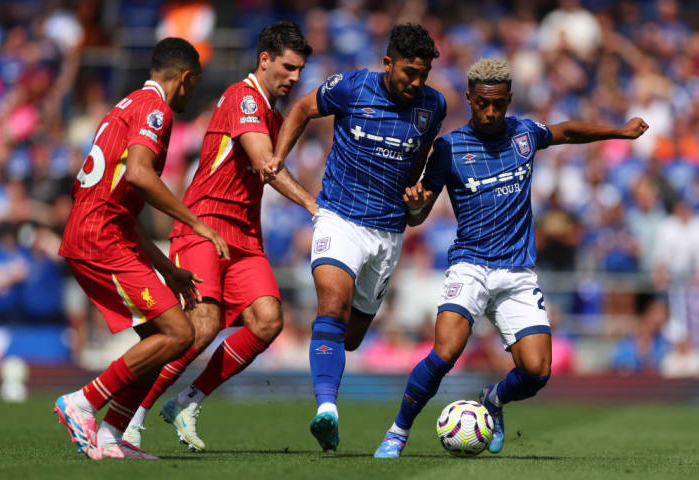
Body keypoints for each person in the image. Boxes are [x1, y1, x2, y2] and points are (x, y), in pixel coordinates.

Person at [373, 58, 648, 458]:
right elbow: (419, 214)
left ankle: (493, 401)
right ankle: (397, 432)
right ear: (469, 98)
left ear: (508, 100)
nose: (490, 112)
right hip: (470, 266)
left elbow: (566, 131)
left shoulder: (524, 134)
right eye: (483, 104)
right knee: (445, 352)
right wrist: (415, 204)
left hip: (517, 273)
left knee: (537, 372)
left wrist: (618, 132)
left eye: (498, 104)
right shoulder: (449, 148)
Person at [121, 21, 316, 452]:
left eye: (300, 70)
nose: (295, 78)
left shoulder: (271, 112)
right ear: (264, 59)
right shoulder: (242, 97)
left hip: (245, 235)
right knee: (200, 328)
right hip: (204, 225)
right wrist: (313, 206)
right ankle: (133, 417)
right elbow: (266, 164)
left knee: (267, 321)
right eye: (288, 67)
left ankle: (187, 402)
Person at [271, 23, 446, 452]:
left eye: (423, 74)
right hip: (339, 217)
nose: (416, 82)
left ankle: (327, 377)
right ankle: (326, 410)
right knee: (331, 304)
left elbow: (420, 172)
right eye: (409, 72)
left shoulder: (433, 106)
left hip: (388, 231)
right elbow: (300, 109)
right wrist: (278, 158)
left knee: (349, 336)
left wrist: (418, 198)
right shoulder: (352, 87)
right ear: (388, 63)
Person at [54, 37, 230, 460]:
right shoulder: (155, 110)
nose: (193, 91)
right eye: (195, 83)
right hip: (100, 238)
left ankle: (114, 436)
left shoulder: (127, 106)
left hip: (105, 233)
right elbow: (139, 175)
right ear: (185, 78)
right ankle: (82, 402)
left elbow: (125, 205)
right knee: (179, 333)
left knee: (158, 336)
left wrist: (167, 271)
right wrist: (196, 223)